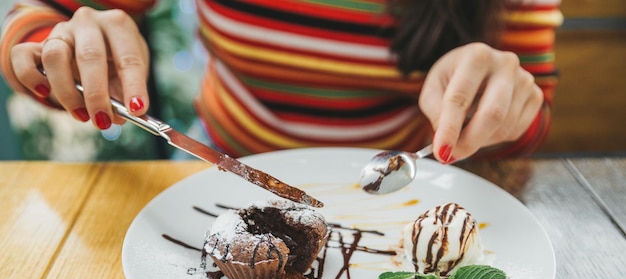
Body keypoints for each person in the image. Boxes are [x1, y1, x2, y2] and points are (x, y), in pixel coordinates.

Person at [1, 0, 562, 163]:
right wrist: (59, 44)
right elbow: (39, 16)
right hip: (217, 174)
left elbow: (530, 115)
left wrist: (498, 107)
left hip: (404, 194)